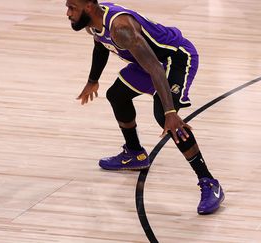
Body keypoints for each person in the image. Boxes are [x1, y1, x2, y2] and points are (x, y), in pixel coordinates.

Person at [65, 0, 224, 215]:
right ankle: (135, 153)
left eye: (72, 7)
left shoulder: (121, 28)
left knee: (165, 118)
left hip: (174, 59)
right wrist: (93, 79)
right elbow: (100, 43)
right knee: (117, 95)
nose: (68, 13)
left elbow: (157, 71)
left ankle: (209, 181)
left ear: (89, 8)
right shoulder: (93, 22)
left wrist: (170, 113)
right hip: (148, 62)